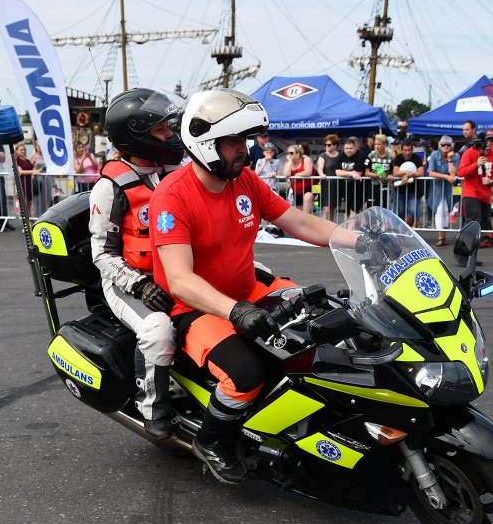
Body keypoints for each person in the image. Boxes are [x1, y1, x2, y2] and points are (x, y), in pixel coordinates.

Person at [150, 89, 345, 484]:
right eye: (235, 141)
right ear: (206, 144)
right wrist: (236, 311)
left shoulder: (245, 181)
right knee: (245, 374)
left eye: (246, 140)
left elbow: (299, 222)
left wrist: (360, 239)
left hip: (250, 289)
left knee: (329, 320)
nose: (246, 149)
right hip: (197, 309)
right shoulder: (172, 197)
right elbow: (180, 280)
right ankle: (212, 440)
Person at [89, 88, 184, 439]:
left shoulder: (178, 171)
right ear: (136, 135)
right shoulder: (110, 186)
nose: (170, 135)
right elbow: (102, 254)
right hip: (129, 280)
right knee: (157, 330)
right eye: (161, 130)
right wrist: (140, 285)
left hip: (179, 271)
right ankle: (153, 409)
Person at [457, 132, 493, 245]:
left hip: (485, 196)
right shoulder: (470, 152)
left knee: (480, 226)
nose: (489, 142)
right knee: (473, 222)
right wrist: (475, 165)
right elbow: (461, 172)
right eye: (487, 140)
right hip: (471, 193)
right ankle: (463, 252)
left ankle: (470, 256)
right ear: (482, 141)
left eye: (492, 140)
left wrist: (491, 181)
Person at [427, 135, 459, 246]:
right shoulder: (434, 154)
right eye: (443, 144)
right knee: (439, 209)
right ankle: (440, 237)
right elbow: (430, 172)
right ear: (439, 146)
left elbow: (454, 173)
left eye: (448, 145)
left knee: (447, 209)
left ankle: (443, 236)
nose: (445, 146)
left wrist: (450, 160)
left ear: (452, 146)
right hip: (437, 186)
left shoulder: (456, 156)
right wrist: (445, 177)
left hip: (450, 187)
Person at [391, 140, 424, 227]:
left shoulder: (417, 158)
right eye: (405, 150)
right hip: (400, 189)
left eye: (409, 150)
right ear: (402, 150)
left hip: (413, 189)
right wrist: (406, 172)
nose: (407, 152)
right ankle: (400, 231)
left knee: (412, 211)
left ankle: (405, 230)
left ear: (412, 150)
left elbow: (421, 172)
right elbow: (395, 172)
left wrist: (412, 174)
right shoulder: (398, 158)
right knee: (400, 211)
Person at [334, 136, 366, 219]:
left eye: (350, 148)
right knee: (347, 212)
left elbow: (358, 173)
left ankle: (350, 230)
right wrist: (351, 173)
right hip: (347, 189)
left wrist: (346, 173)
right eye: (346, 148)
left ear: (355, 147)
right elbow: (337, 172)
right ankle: (347, 230)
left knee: (353, 211)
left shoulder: (361, 156)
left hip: (360, 189)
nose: (348, 150)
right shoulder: (341, 155)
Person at [280, 144, 314, 213]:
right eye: (288, 153)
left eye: (291, 153)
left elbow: (308, 172)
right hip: (296, 190)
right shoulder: (288, 163)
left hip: (309, 187)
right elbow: (286, 174)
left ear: (297, 153)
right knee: (299, 209)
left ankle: (306, 221)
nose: (289, 154)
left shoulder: (306, 159)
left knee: (307, 199)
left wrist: (297, 174)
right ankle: (303, 222)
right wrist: (290, 161)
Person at [364, 134, 393, 210]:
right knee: (372, 209)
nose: (376, 146)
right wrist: (377, 175)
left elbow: (392, 172)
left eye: (379, 144)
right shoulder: (371, 155)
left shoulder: (390, 157)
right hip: (373, 187)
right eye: (375, 144)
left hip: (385, 187)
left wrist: (390, 176)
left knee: (384, 209)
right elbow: (366, 172)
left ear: (384, 144)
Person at [317, 134, 341, 221]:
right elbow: (320, 168)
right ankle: (322, 229)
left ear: (335, 145)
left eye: (329, 144)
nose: (327, 146)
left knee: (332, 209)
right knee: (325, 209)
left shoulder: (340, 155)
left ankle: (330, 229)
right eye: (325, 145)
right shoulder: (323, 156)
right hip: (326, 185)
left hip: (336, 186)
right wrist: (321, 174)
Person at [13, 143, 37, 217]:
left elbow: (32, 168)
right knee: (24, 204)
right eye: (21, 150)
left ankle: (29, 220)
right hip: (22, 184)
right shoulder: (16, 160)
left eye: (24, 150)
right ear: (16, 151)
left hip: (29, 183)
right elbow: (20, 172)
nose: (23, 151)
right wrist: (33, 171)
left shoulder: (27, 160)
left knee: (29, 205)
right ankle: (25, 221)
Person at [30, 140, 52, 218]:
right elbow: (30, 168)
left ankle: (46, 217)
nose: (40, 147)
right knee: (37, 200)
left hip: (47, 179)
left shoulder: (47, 156)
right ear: (36, 146)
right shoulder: (33, 156)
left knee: (47, 198)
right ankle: (37, 217)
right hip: (38, 180)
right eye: (38, 145)